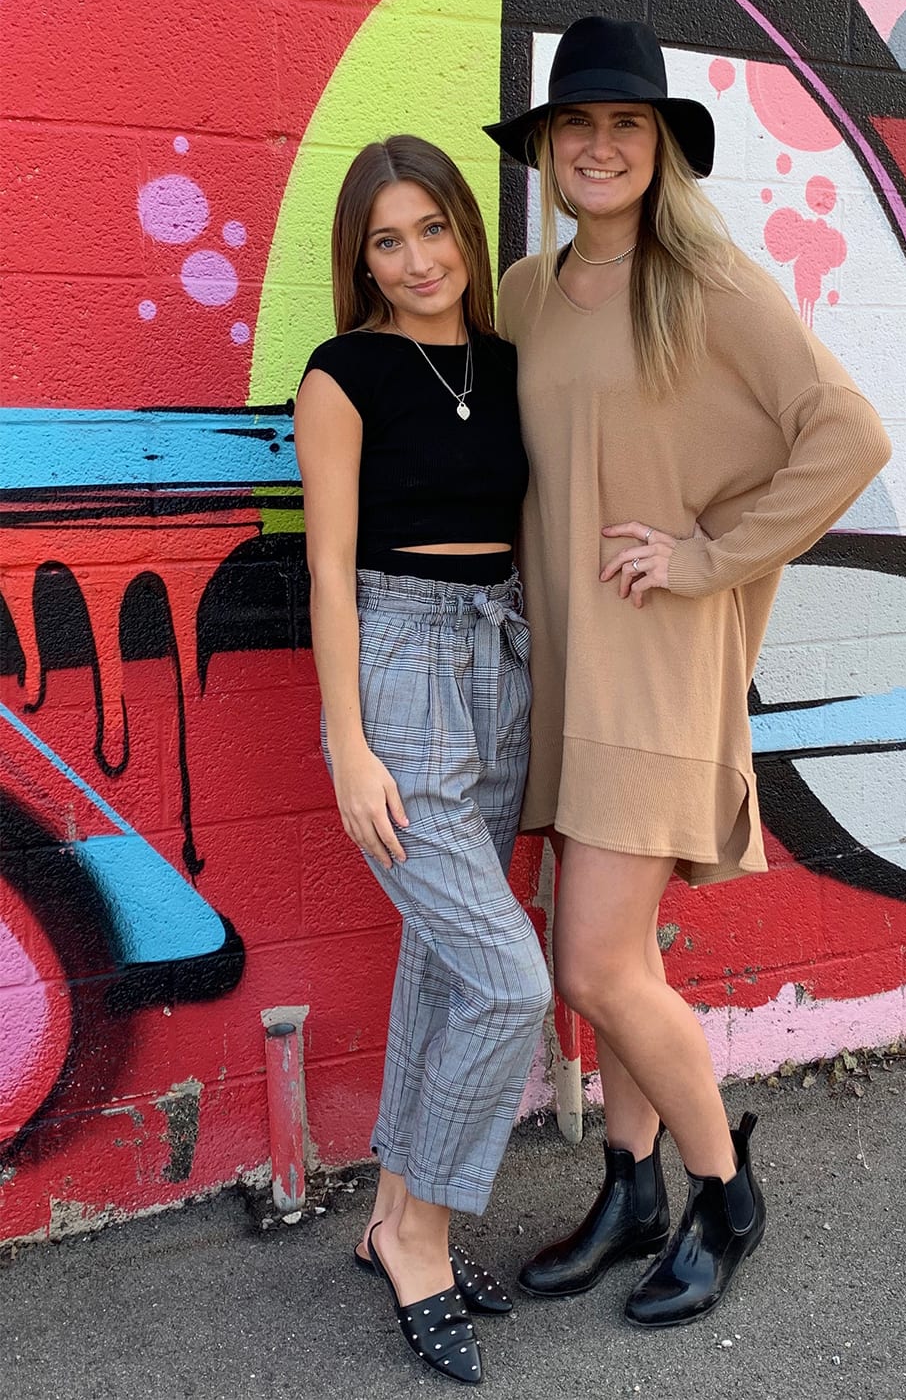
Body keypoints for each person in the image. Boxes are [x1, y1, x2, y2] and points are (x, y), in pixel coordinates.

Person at [484, 17, 891, 1328]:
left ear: (661, 152)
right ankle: (631, 1187)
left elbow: (851, 435)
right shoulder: (526, 293)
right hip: (566, 672)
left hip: (656, 674)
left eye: (628, 128)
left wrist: (709, 554)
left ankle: (724, 1192)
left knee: (594, 964)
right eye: (579, 127)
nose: (600, 148)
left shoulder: (708, 288)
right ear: (548, 149)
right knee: (625, 957)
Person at [294, 134, 552, 1385]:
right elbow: (329, 578)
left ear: (465, 228)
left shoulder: (510, 366)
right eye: (385, 241)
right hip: (396, 666)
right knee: (508, 981)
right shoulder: (342, 374)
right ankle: (417, 1234)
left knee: (446, 965)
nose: (415, 261)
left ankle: (387, 1214)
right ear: (361, 257)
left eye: (433, 229)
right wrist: (347, 744)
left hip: (501, 661)